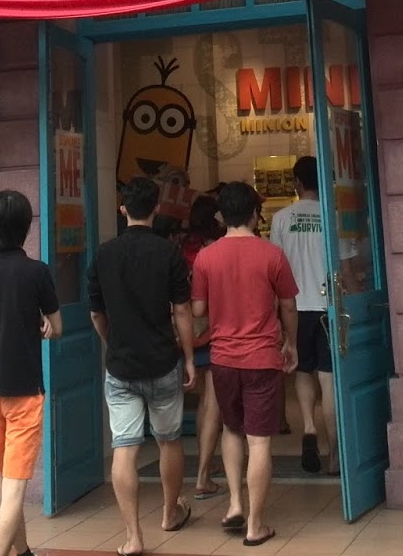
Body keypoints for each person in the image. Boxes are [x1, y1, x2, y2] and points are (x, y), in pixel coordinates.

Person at [89, 177, 197, 556]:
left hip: (121, 368)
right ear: (156, 208)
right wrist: (188, 357)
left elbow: (96, 313)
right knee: (169, 440)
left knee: (125, 447)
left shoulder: (103, 255)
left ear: (123, 210)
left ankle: (133, 537)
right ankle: (169, 513)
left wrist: (112, 342)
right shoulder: (169, 253)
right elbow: (182, 310)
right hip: (163, 362)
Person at [190, 182, 297, 547]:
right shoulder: (273, 255)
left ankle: (235, 503)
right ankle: (255, 524)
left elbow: (198, 310)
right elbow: (288, 305)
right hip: (262, 358)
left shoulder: (206, 257)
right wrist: (291, 342)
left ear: (222, 216)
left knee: (232, 430)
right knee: (260, 441)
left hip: (223, 358)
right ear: (254, 214)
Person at [0, 190, 63, 556]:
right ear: (26, 227)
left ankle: (21, 551)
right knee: (15, 487)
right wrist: (43, 324)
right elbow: (57, 326)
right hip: (24, 391)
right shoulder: (37, 272)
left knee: (6, 480)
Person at [269, 155, 338, 475]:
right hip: (329, 308)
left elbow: (275, 271)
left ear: (297, 183)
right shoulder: (333, 215)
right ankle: (335, 454)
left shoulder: (282, 219)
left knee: (302, 370)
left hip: (295, 308)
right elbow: (348, 265)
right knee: (329, 378)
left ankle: (309, 428)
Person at [180, 194, 226, 499]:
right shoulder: (216, 249)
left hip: (189, 331)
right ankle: (203, 474)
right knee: (213, 402)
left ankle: (205, 464)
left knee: (204, 403)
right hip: (213, 329)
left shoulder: (183, 247)